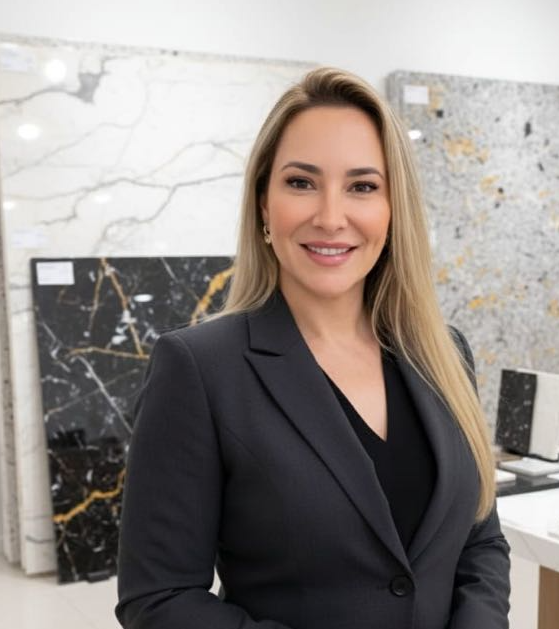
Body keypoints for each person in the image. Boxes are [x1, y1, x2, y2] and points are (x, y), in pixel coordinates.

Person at [115, 66, 511, 629]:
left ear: (394, 209)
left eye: (362, 186)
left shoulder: (444, 354)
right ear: (263, 205)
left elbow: (480, 539)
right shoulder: (200, 368)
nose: (330, 217)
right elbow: (158, 598)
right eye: (301, 183)